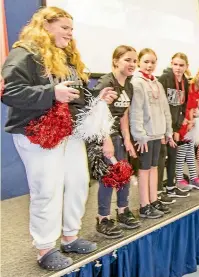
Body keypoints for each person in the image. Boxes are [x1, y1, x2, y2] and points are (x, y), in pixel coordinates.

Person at [1, 7, 117, 270]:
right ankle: (44, 248)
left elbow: (74, 94)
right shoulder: (25, 53)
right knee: (47, 190)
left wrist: (97, 98)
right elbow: (11, 92)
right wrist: (51, 92)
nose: (70, 32)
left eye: (71, 28)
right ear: (46, 25)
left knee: (78, 183)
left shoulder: (66, 57)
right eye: (65, 27)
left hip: (70, 131)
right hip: (37, 133)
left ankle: (70, 235)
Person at [94, 45, 141, 239]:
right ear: (115, 61)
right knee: (109, 178)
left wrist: (127, 139)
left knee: (124, 175)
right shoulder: (107, 82)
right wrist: (106, 141)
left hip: (118, 136)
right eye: (127, 60)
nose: (132, 64)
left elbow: (124, 112)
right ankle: (102, 218)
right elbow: (97, 114)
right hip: (104, 134)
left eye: (134, 61)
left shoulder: (128, 83)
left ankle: (123, 211)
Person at [130, 48, 176, 219]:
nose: (149, 65)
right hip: (145, 136)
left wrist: (168, 131)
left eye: (153, 62)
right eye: (146, 62)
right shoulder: (137, 82)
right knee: (144, 169)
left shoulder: (157, 83)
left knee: (155, 168)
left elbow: (165, 109)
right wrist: (139, 134)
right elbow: (136, 111)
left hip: (158, 134)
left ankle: (153, 199)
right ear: (139, 63)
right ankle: (144, 205)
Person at [157, 53, 191, 198]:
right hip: (162, 127)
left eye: (181, 65)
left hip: (174, 127)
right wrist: (165, 129)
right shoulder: (164, 79)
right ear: (171, 64)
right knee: (160, 160)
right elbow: (159, 105)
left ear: (186, 67)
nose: (178, 68)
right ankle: (158, 192)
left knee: (173, 157)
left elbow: (183, 106)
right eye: (175, 64)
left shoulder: (185, 82)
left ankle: (171, 187)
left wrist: (177, 128)